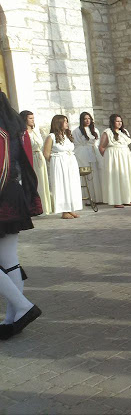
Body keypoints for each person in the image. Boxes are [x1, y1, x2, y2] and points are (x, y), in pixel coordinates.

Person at [0, 92, 42, 340]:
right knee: (8, 259)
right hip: (12, 192)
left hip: (3, 193)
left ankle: (23, 307)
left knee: (7, 259)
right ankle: (12, 317)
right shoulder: (12, 128)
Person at [43, 115, 83, 219]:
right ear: (58, 123)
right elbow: (46, 153)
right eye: (65, 121)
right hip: (59, 163)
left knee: (71, 185)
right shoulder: (51, 136)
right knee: (62, 186)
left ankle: (71, 208)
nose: (67, 123)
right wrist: (56, 163)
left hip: (70, 162)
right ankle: (64, 211)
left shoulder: (67, 135)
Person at [99, 114, 131, 208]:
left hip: (125, 156)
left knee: (126, 176)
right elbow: (101, 147)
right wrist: (108, 159)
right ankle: (116, 200)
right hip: (114, 157)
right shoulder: (107, 132)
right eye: (117, 121)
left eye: (120, 121)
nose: (119, 123)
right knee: (115, 178)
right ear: (113, 122)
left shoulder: (124, 132)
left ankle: (127, 198)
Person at [20, 111, 52, 215]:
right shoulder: (22, 133)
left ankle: (45, 206)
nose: (33, 120)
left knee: (42, 181)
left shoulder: (36, 131)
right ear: (25, 119)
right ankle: (35, 207)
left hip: (39, 157)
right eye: (30, 118)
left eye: (33, 118)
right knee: (34, 182)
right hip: (30, 158)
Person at [72, 112, 103, 204]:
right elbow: (76, 144)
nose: (87, 120)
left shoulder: (95, 130)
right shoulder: (77, 131)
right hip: (83, 155)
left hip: (93, 153)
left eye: (89, 118)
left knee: (95, 174)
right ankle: (88, 199)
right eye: (85, 119)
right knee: (87, 175)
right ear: (82, 120)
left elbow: (97, 142)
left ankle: (98, 197)